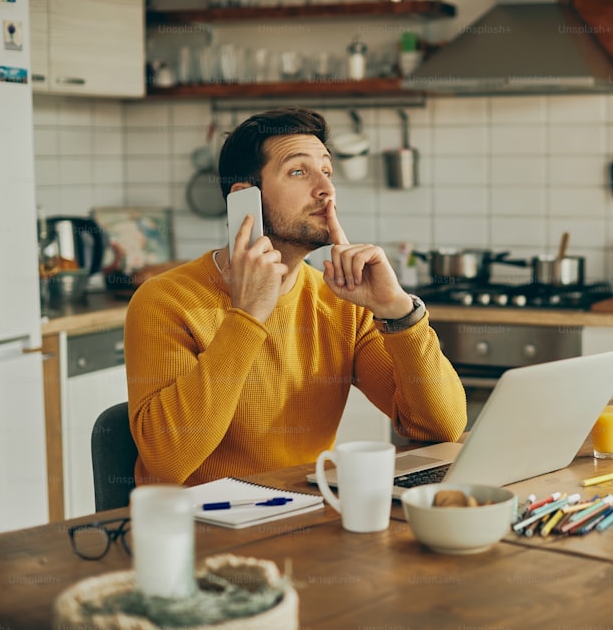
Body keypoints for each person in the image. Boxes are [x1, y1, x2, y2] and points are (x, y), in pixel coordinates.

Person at [125, 107, 466, 487]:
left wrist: (398, 311)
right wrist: (248, 316)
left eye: (327, 171)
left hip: (307, 517)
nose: (326, 190)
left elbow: (441, 427)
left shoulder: (341, 303)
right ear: (244, 201)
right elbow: (166, 461)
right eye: (299, 172)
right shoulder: (165, 301)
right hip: (201, 530)